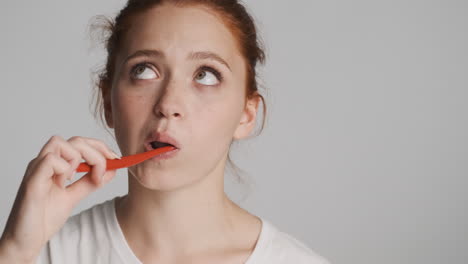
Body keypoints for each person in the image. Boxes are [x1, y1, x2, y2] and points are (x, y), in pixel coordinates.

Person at [0, 0, 330, 263]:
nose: (169, 103)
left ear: (246, 116)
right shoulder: (41, 254)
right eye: (144, 70)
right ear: (108, 103)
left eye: (206, 75)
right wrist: (14, 251)